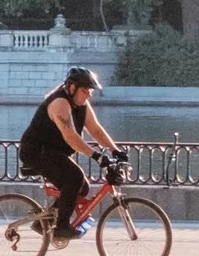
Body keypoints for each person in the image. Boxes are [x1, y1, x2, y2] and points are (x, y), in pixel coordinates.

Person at [17, 67, 125, 243]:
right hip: (36, 151)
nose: (89, 95)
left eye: (90, 91)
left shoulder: (81, 103)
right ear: (72, 88)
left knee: (81, 187)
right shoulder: (59, 103)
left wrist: (116, 151)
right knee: (73, 178)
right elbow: (71, 138)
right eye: (85, 90)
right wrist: (98, 157)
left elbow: (96, 130)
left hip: (54, 151)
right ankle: (61, 228)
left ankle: (44, 223)